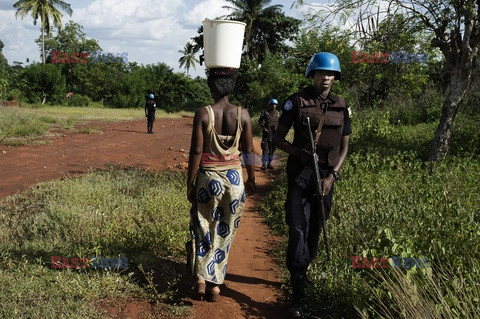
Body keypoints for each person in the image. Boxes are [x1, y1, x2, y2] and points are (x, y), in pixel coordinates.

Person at [273, 52, 351, 318]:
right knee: (297, 229)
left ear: (335, 77)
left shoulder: (341, 105)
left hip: (326, 179)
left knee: (315, 230)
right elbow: (277, 138)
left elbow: (344, 146)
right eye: (320, 73)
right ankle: (298, 293)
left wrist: (333, 176)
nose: (325, 78)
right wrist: (300, 154)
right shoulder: (296, 102)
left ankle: (304, 271)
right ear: (312, 75)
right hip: (300, 176)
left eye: (330, 74)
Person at [186, 67, 256, 302]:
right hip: (235, 181)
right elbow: (248, 151)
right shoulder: (243, 115)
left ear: (211, 87)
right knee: (225, 231)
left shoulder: (203, 114)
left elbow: (196, 151)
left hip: (209, 178)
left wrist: (190, 183)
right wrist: (252, 178)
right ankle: (215, 284)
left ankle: (200, 279)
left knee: (204, 225)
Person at [258, 98, 280, 170]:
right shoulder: (265, 112)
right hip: (266, 133)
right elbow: (260, 121)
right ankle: (263, 165)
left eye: (275, 105)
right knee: (265, 149)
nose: (274, 106)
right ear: (269, 105)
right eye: (273, 104)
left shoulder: (278, 113)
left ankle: (269, 164)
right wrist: (264, 128)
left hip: (275, 134)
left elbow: (281, 123)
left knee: (272, 149)